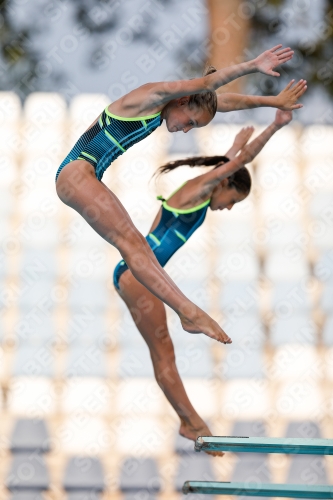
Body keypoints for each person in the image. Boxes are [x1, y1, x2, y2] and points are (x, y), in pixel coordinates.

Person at [55, 45, 300, 346]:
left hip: (85, 173)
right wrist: (253, 65)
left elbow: (221, 101)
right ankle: (189, 312)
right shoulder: (152, 94)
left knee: (135, 244)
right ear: (183, 100)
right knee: (131, 242)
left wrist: (271, 101)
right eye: (191, 122)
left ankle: (187, 312)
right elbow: (208, 85)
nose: (186, 130)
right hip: (77, 172)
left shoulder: (163, 109)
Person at [113, 110, 293, 452]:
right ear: (224, 184)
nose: (227, 208)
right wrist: (274, 125)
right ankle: (190, 423)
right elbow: (241, 162)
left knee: (163, 352)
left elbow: (232, 164)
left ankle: (189, 421)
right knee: (163, 354)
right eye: (232, 202)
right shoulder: (201, 190)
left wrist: (235, 148)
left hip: (135, 272)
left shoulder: (203, 186)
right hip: (137, 274)